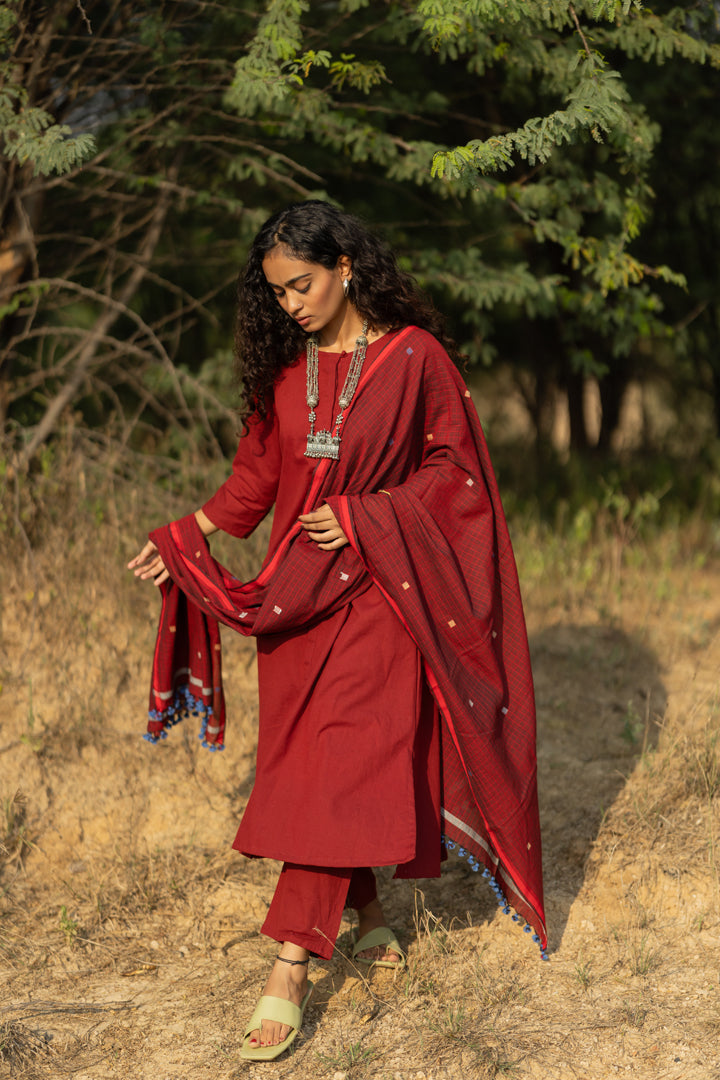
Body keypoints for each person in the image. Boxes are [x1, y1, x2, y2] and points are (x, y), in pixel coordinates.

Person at [128, 200, 546, 1062]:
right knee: (323, 773)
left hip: (380, 591)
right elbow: (251, 486)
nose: (291, 305)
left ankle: (287, 969)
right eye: (277, 293)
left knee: (345, 757)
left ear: (346, 266)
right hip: (295, 603)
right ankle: (370, 916)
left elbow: (456, 473)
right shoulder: (285, 375)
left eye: (304, 284)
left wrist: (367, 515)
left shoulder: (413, 359)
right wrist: (184, 540)